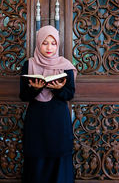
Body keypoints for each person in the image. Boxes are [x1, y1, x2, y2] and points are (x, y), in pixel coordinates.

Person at [19, 25, 77, 183]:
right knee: (36, 161)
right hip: (37, 121)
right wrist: (36, 90)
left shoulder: (65, 66)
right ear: (38, 44)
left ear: (58, 44)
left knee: (59, 160)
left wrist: (58, 90)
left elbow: (70, 94)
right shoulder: (29, 64)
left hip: (58, 121)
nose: (49, 47)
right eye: (45, 43)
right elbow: (23, 96)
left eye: (53, 43)